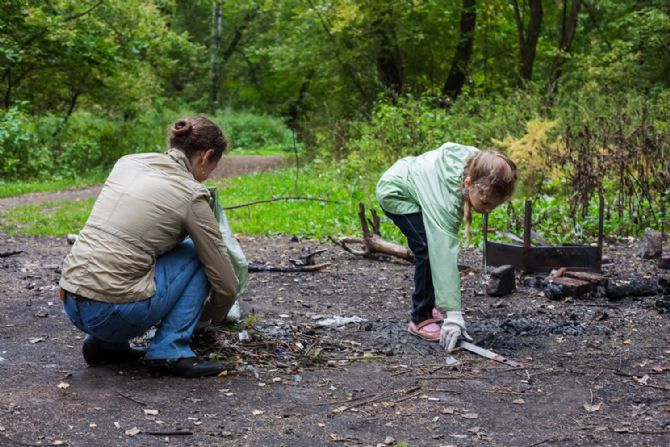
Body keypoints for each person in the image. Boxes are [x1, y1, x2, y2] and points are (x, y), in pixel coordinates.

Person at [59, 116, 240, 378]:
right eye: (212, 167)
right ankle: (171, 350)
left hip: (71, 300)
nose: (208, 175)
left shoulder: (129, 163)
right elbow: (227, 283)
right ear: (206, 156)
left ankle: (105, 346)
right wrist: (206, 318)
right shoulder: (190, 193)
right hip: (113, 314)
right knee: (198, 253)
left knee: (131, 251)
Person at [376, 142, 517, 352]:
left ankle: (429, 303)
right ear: (468, 184)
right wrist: (453, 314)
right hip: (397, 192)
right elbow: (442, 252)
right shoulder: (443, 201)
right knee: (426, 248)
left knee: (428, 246)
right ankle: (420, 318)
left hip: (412, 180)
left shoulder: (479, 165)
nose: (487, 210)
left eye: (494, 206)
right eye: (485, 203)